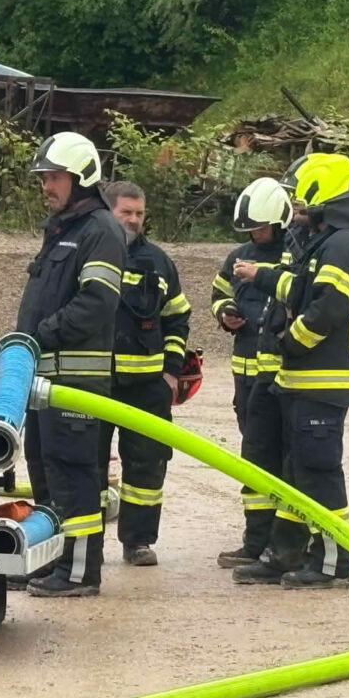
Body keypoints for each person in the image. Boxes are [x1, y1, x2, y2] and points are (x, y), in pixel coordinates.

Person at [232, 153, 349, 588]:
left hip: (321, 380)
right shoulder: (332, 243)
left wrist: (287, 342)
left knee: (319, 474)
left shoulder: (341, 244)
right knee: (296, 475)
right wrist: (261, 278)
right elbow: (300, 286)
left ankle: (334, 563)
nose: (293, 208)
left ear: (322, 194)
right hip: (304, 380)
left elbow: (328, 308)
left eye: (298, 199)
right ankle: (285, 553)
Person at [17, 132, 126, 597]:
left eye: (54, 177)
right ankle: (57, 560)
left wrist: (42, 332)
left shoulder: (100, 230)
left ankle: (81, 572)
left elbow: (97, 303)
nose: (46, 185)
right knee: (45, 469)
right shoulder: (64, 229)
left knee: (76, 474)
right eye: (44, 177)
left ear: (81, 177)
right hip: (47, 378)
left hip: (75, 379)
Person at [98, 181, 191, 566]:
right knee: (85, 465)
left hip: (147, 388)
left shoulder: (158, 262)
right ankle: (83, 546)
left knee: (148, 467)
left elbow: (177, 318)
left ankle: (137, 542)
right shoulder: (90, 255)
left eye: (139, 213)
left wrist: (170, 373)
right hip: (94, 384)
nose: (135, 220)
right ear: (108, 212)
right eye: (127, 212)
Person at [211, 178, 299, 569]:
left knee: (281, 457)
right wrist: (225, 313)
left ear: (279, 222)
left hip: (279, 376)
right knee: (253, 457)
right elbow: (218, 292)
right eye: (249, 229)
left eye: (260, 227)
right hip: (244, 375)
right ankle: (256, 541)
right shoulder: (236, 256)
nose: (254, 235)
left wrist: (261, 274)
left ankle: (281, 543)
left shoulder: (293, 258)